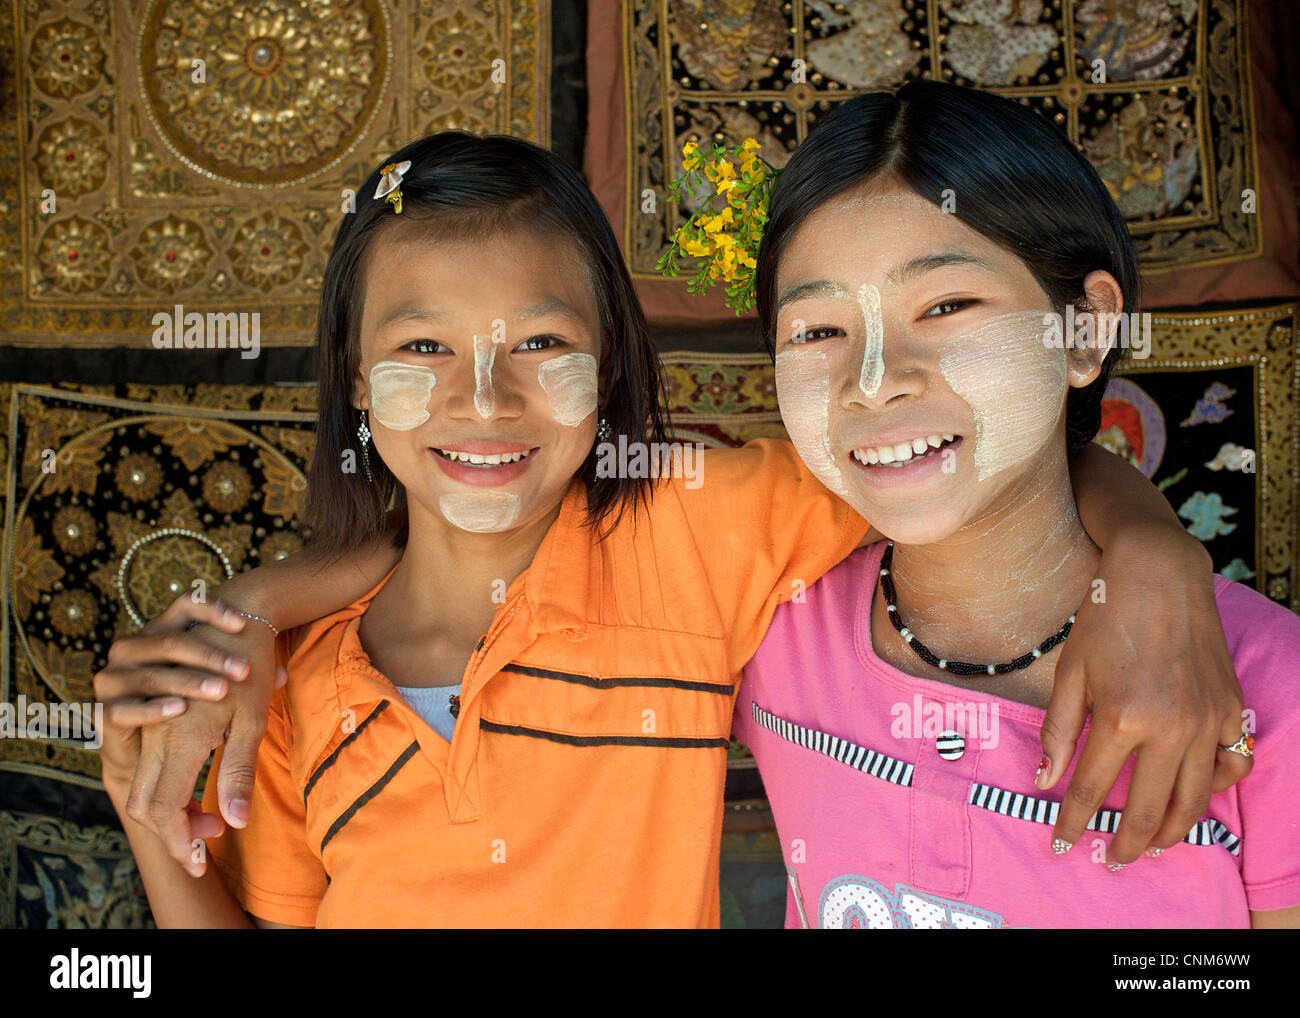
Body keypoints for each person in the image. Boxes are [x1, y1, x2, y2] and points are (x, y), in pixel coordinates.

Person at [94, 129, 1245, 928]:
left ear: (613, 366)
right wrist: (146, 804)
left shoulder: (695, 530)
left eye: (542, 344)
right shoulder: (287, 681)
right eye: (421, 349)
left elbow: (964, 448)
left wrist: (1151, 562)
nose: (483, 401)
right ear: (354, 380)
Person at [732, 80, 1297, 928]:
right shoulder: (763, 627)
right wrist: (1155, 548)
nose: (875, 382)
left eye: (949, 305)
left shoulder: (1258, 693)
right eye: (818, 331)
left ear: (1081, 330)